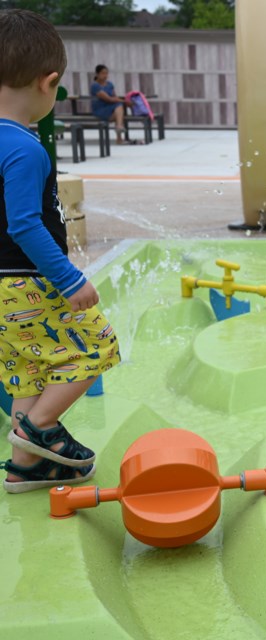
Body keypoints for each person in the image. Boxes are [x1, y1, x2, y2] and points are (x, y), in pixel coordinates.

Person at [0, 9, 121, 493]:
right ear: (48, 83)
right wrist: (69, 279)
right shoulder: (24, 148)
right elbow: (25, 224)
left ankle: (25, 466)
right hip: (31, 279)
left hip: (1, 293)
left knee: (31, 372)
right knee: (97, 346)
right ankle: (39, 428)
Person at [90, 64, 133, 145]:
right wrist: (125, 102)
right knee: (119, 109)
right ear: (97, 74)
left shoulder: (110, 84)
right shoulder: (95, 86)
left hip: (111, 108)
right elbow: (108, 99)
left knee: (119, 110)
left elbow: (114, 96)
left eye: (106, 73)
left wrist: (122, 101)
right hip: (100, 109)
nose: (105, 75)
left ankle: (119, 131)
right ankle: (119, 131)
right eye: (103, 73)